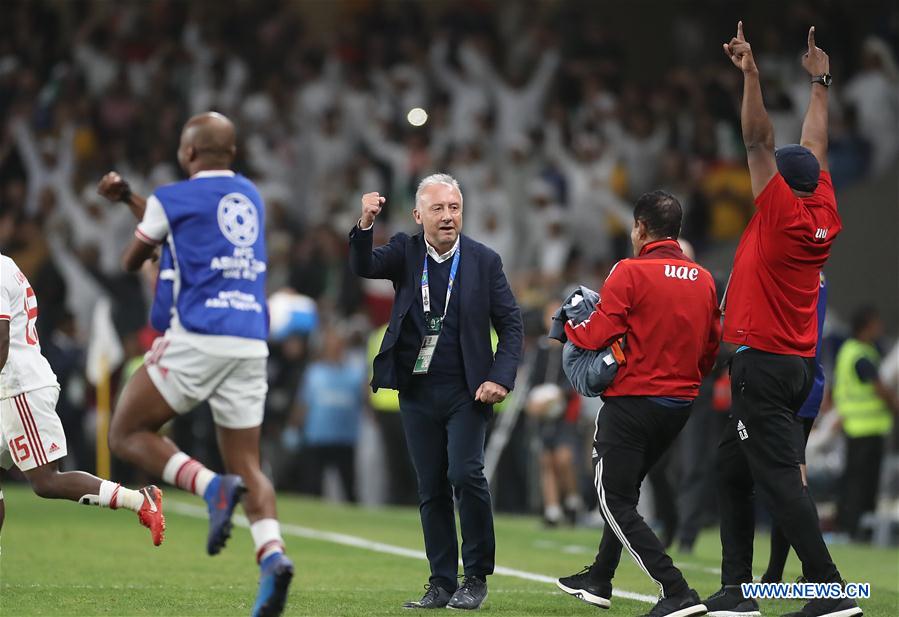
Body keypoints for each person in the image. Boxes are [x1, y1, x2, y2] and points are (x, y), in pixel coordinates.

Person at [95, 112, 293, 617]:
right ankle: (272, 556)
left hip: (199, 336)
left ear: (187, 154)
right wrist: (132, 200)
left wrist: (133, 209)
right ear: (232, 152)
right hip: (250, 339)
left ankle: (210, 488)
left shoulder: (171, 197)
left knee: (125, 431)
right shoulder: (250, 196)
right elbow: (185, 228)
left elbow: (134, 256)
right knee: (248, 463)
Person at [707, 23, 861, 617]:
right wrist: (819, 84)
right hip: (792, 363)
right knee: (730, 469)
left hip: (764, 364)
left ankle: (828, 589)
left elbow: (756, 139)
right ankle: (739, 589)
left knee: (777, 480)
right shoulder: (822, 209)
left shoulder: (779, 215)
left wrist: (751, 75)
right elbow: (813, 147)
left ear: (780, 186)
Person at [348, 173, 523, 610]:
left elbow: (512, 325)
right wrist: (365, 224)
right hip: (417, 390)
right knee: (430, 489)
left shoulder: (484, 260)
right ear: (418, 214)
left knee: (465, 474)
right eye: (439, 208)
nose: (448, 216)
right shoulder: (405, 252)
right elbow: (363, 267)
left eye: (454, 208)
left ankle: (477, 575)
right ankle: (442, 582)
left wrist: (500, 377)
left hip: (469, 390)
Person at [555, 190, 720, 617]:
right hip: (679, 405)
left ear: (641, 228)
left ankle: (677, 590)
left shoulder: (629, 271)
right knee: (625, 491)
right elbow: (710, 348)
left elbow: (594, 334)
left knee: (613, 499)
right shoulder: (703, 279)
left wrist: (569, 326)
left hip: (633, 403)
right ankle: (599, 579)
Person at [0, 253, 163, 540]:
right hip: (17, 381)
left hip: (16, 385)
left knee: (46, 481)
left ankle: (139, 500)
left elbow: (0, 337)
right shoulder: (8, 264)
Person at [762, 272, 827, 583]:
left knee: (791, 481)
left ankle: (817, 575)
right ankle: (780, 573)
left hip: (792, 384)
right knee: (787, 478)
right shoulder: (816, 276)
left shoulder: (794, 277)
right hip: (808, 380)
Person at [834, 306, 899, 541]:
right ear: (866, 326)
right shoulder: (860, 354)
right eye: (876, 323)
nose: (880, 328)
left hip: (857, 426)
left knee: (855, 480)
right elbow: (878, 387)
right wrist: (894, 405)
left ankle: (852, 527)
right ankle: (856, 529)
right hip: (865, 428)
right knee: (862, 484)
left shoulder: (853, 350)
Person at [526, 300, 583, 527]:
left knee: (563, 458)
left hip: (565, 413)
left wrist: (558, 396)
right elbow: (531, 381)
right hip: (543, 414)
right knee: (546, 460)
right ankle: (552, 510)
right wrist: (532, 402)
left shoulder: (573, 347)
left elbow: (575, 381)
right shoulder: (539, 349)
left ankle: (572, 499)